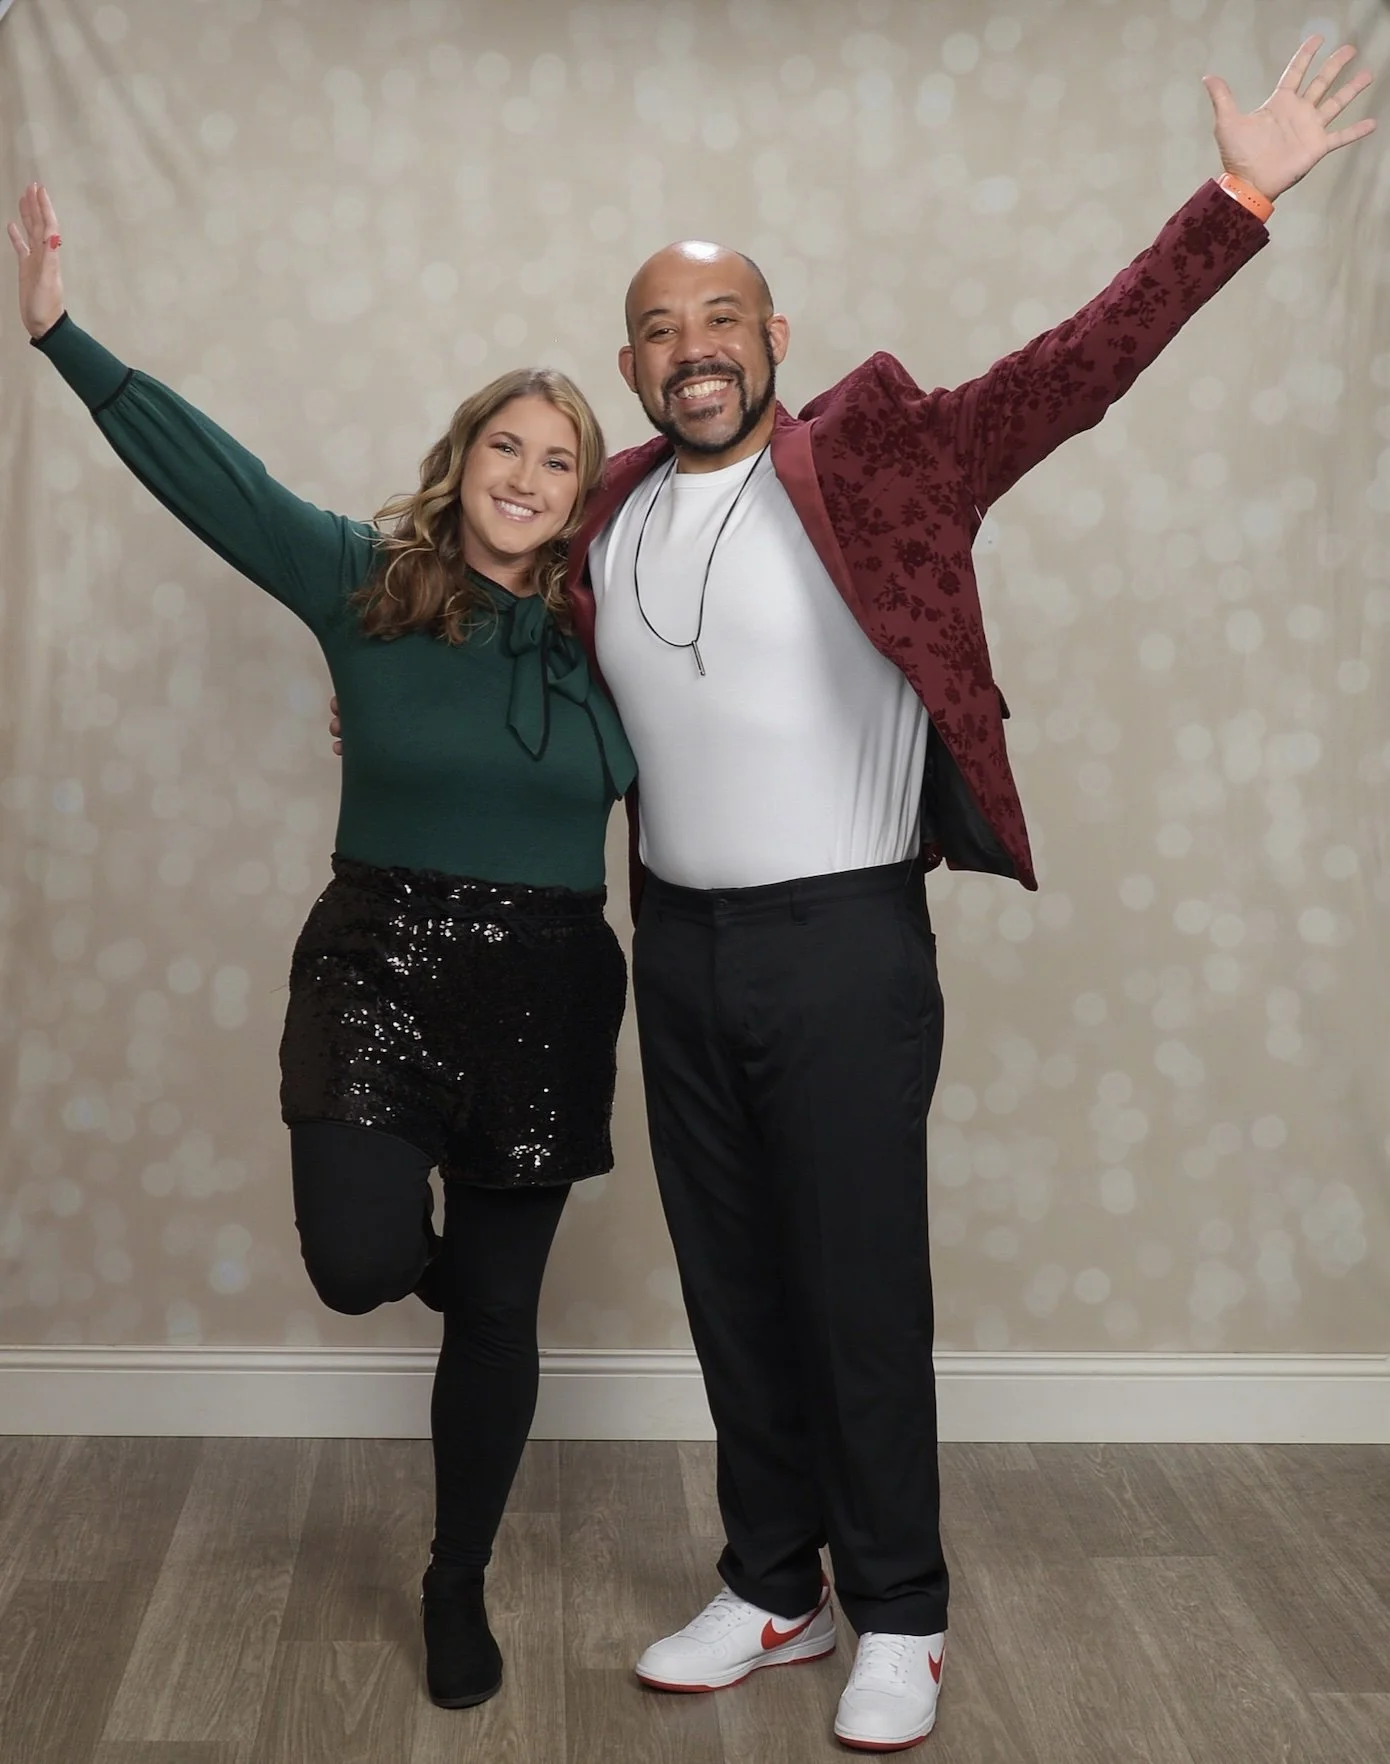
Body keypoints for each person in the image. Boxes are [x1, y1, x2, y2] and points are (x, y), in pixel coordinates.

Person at [558, 35, 1372, 1754]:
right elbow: (506, 653)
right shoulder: (605, 515)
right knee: (729, 1278)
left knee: (855, 1281)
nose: (688, 352)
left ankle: (901, 1613)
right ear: (624, 358)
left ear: (772, 340)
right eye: (656, 327)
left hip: (841, 941)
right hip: (678, 948)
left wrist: (1235, 196)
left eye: (719, 323)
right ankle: (773, 1582)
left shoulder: (882, 458)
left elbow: (1076, 368)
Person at [9, 182, 635, 1713]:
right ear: (463, 456)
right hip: (381, 956)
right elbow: (223, 483)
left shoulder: (617, 632)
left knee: (498, 1311)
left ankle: (454, 1579)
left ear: (581, 496)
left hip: (550, 979)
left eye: (560, 462)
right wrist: (60, 339)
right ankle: (436, 1294)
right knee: (361, 1263)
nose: (526, 476)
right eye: (507, 445)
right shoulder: (367, 583)